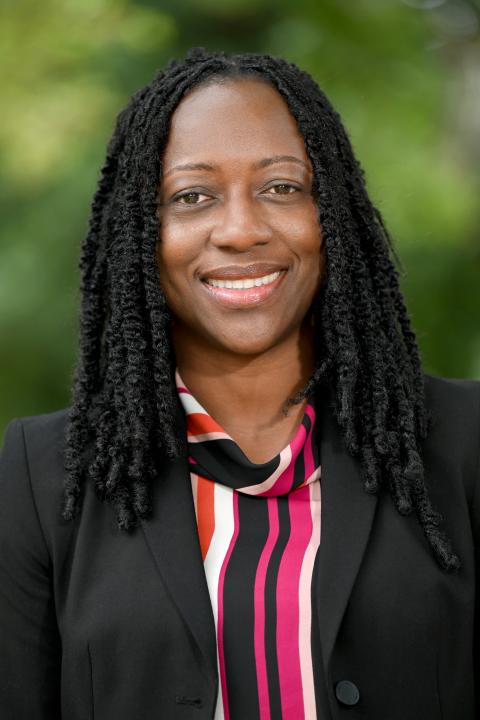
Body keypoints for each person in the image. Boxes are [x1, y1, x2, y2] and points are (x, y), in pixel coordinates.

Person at [0, 47, 478, 720]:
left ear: (330, 212)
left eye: (281, 188)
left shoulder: (463, 445)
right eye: (192, 197)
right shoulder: (40, 477)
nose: (241, 230)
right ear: (142, 231)